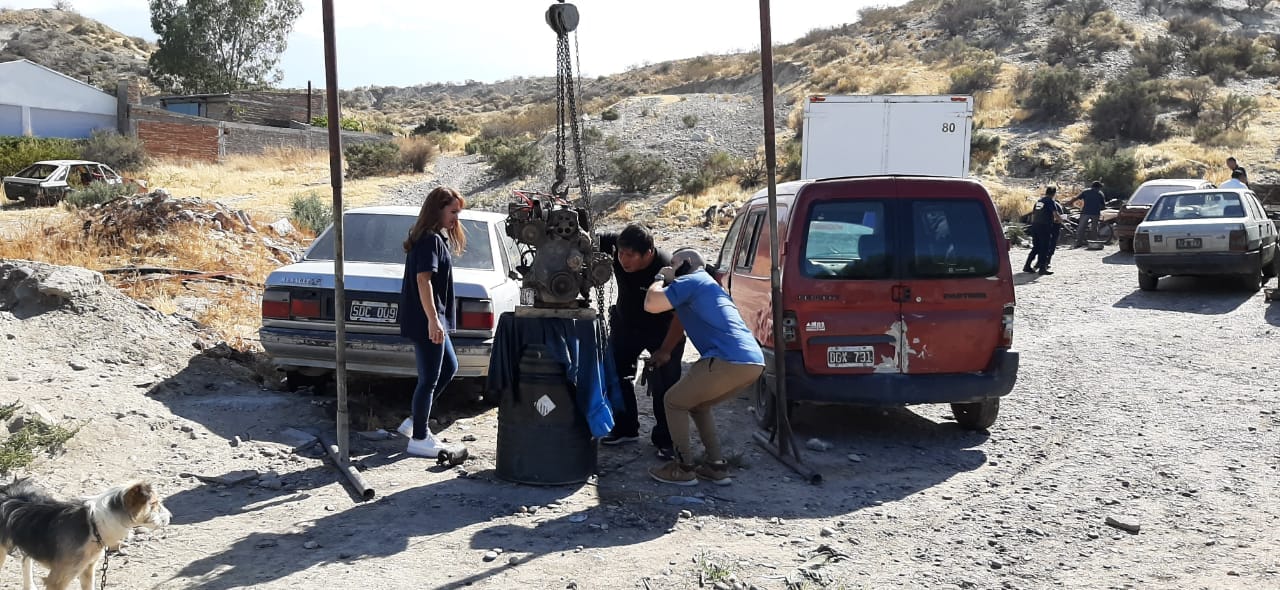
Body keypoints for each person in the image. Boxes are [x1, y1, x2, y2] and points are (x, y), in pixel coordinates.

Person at [643, 248, 764, 486]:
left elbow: (651, 304)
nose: (671, 269)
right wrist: (665, 350)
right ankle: (716, 467)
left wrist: (660, 279)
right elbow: (680, 320)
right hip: (752, 362)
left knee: (673, 401)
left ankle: (683, 468)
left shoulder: (691, 280)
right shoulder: (708, 286)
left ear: (686, 263)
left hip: (726, 359)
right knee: (698, 405)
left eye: (674, 264)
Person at [597, 224, 686, 459]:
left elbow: (681, 317)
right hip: (626, 326)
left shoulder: (668, 270)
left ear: (648, 253)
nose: (623, 260)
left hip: (662, 331)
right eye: (620, 254)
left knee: (665, 386)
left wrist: (666, 350)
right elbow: (585, 235)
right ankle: (625, 428)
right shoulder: (618, 244)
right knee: (616, 375)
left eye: (630, 255)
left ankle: (667, 440)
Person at [396, 186, 467, 457]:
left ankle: (415, 422)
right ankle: (419, 438)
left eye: (458, 213)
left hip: (429, 319)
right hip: (426, 319)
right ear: (438, 210)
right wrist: (433, 320)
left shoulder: (433, 238)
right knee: (429, 379)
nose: (456, 218)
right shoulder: (429, 240)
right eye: (453, 212)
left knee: (449, 366)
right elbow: (422, 280)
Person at [1024, 187, 1060, 275]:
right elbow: (1055, 214)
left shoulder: (1039, 201)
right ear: (1054, 193)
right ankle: (1042, 268)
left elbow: (1034, 214)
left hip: (1035, 226)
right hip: (1044, 227)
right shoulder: (1050, 201)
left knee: (1036, 247)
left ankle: (1027, 266)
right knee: (1045, 247)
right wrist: (1060, 220)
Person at [1073, 181, 1106, 248]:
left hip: (1086, 212)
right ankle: (1093, 242)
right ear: (1098, 187)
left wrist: (1069, 203)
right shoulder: (1100, 194)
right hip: (1095, 213)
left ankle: (1079, 242)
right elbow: (1103, 205)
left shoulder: (1086, 192)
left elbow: (1076, 198)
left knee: (1081, 228)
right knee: (1094, 229)